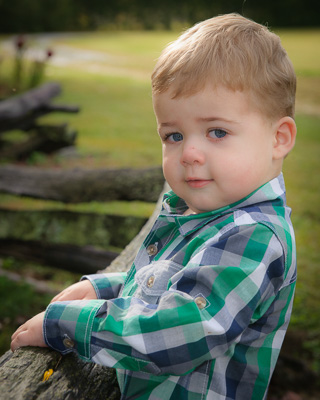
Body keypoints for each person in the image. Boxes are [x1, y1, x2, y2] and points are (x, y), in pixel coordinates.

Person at [11, 13, 297, 400]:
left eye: (217, 132)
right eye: (174, 135)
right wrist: (105, 288)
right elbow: (171, 283)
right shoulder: (211, 213)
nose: (190, 153)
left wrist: (69, 325)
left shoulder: (252, 236)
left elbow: (182, 329)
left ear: (279, 138)